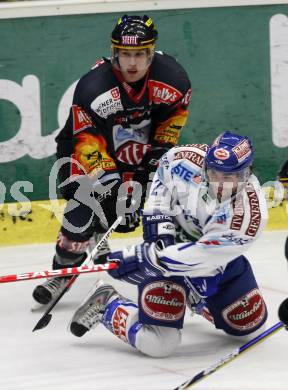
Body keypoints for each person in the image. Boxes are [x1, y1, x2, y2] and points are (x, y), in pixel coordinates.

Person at [32, 14, 191, 305]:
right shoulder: (94, 88)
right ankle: (63, 269)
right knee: (82, 209)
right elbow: (88, 144)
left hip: (135, 147)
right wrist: (116, 190)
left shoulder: (174, 80)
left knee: (129, 214)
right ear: (114, 52)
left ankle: (101, 232)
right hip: (83, 147)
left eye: (140, 54)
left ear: (151, 52)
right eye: (125, 54)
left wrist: (143, 178)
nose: (132, 63)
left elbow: (169, 132)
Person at [69, 131, 269, 358]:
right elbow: (162, 181)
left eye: (230, 177)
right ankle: (107, 303)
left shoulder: (249, 216)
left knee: (249, 327)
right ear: (205, 166)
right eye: (215, 174)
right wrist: (159, 227)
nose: (220, 184)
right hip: (167, 250)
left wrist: (148, 259)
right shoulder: (183, 159)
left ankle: (196, 299)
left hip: (211, 264)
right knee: (158, 344)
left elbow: (205, 256)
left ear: (246, 173)